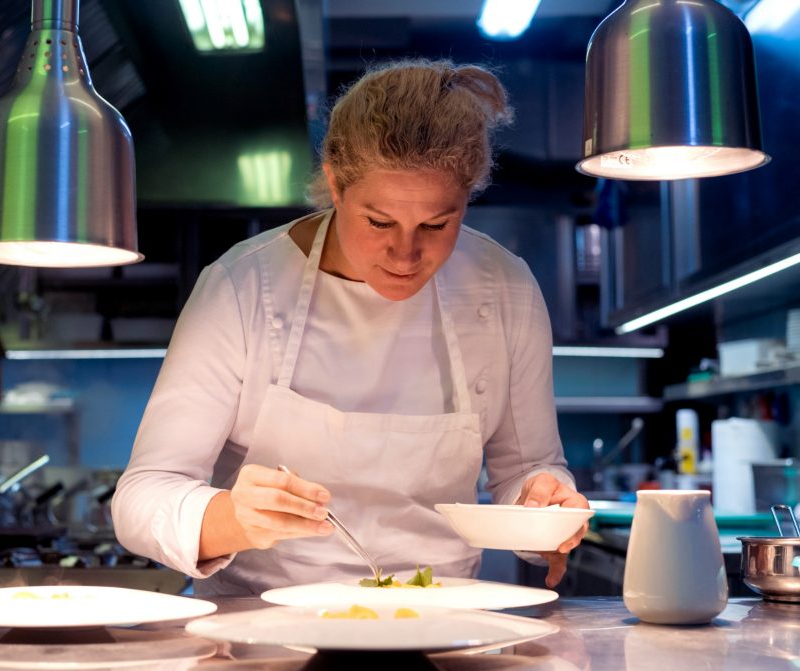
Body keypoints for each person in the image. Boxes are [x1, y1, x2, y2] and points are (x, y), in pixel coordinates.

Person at [113, 59, 589, 596]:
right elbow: (142, 497)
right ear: (336, 185)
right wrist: (231, 517)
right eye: (379, 221)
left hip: (444, 623)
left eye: (437, 223)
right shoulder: (240, 286)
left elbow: (527, 472)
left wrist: (545, 508)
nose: (405, 254)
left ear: (467, 198)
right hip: (260, 632)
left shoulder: (504, 287)